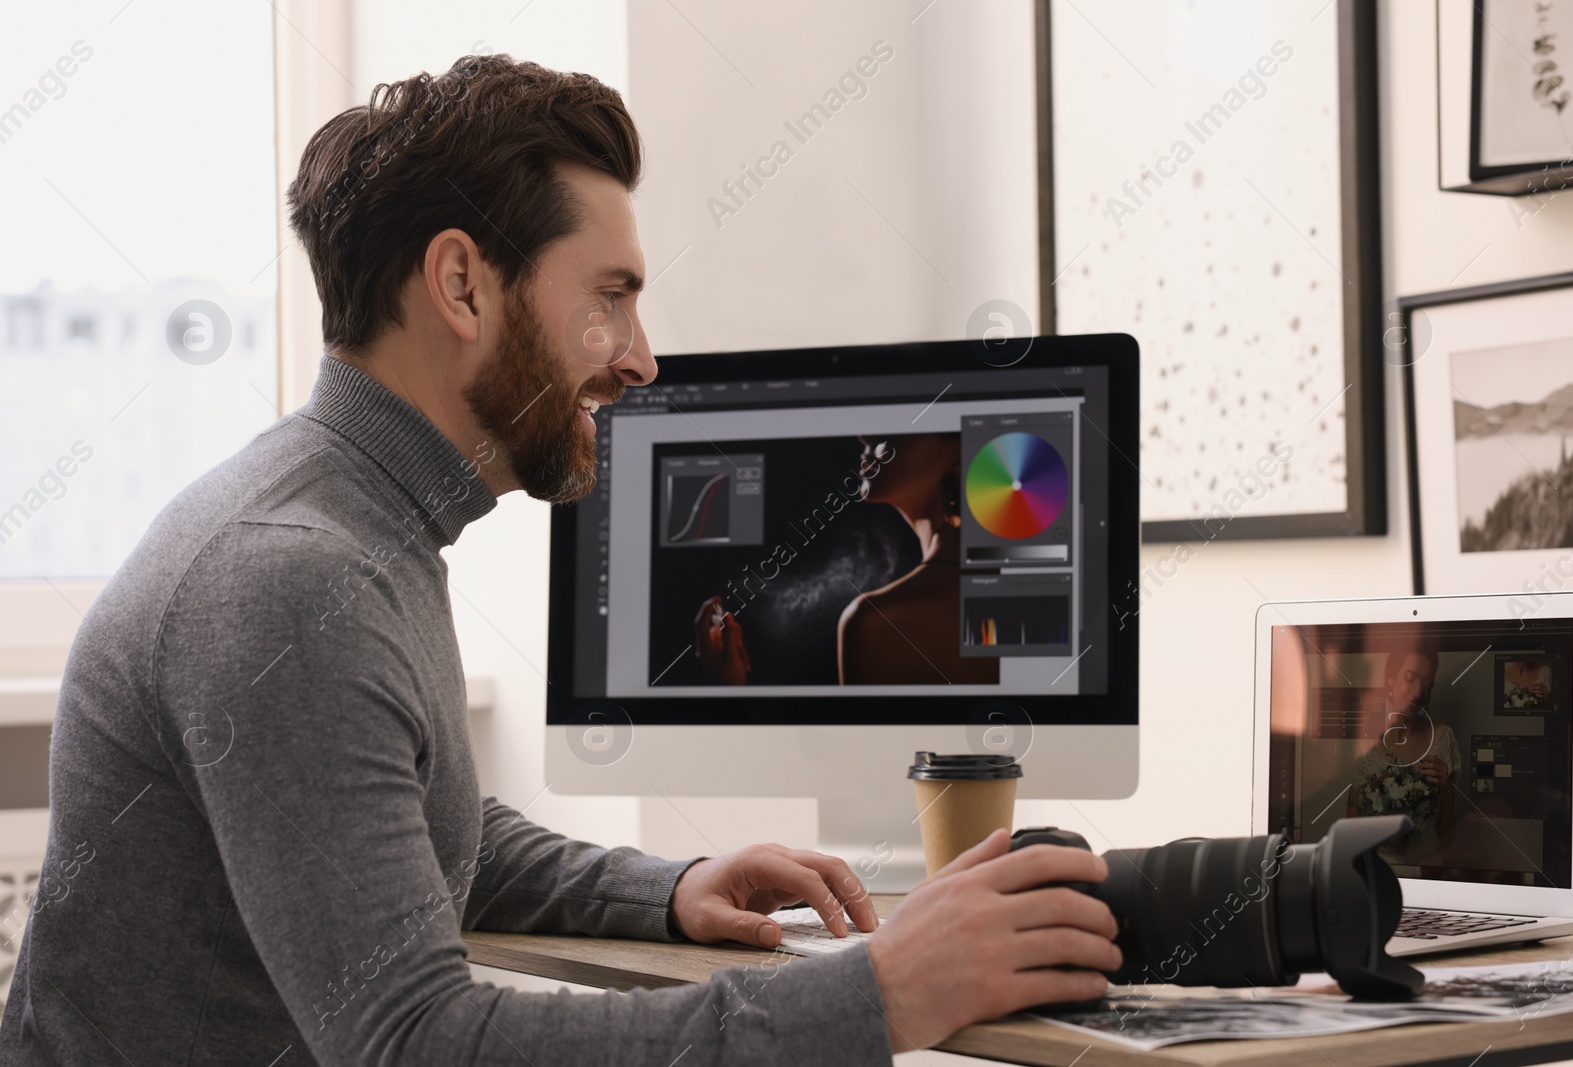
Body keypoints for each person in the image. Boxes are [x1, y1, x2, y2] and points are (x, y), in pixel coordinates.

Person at [0, 55, 1120, 1065]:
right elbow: (421, 1041)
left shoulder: (351, 524)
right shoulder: (293, 580)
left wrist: (666, 887)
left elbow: (418, 832)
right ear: (462, 286)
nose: (640, 358)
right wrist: (878, 997)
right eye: (611, 298)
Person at [693, 433, 997, 685]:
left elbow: (860, 756)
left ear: (958, 451)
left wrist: (724, 694)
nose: (863, 434)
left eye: (900, 419)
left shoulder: (878, 621)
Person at [1344, 646, 1459, 864]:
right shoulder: (1365, 741)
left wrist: (1445, 789)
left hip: (1427, 871)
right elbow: (1350, 825)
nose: (1417, 693)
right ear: (1390, 676)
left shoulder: (1443, 739)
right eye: (1410, 678)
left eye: (1427, 685)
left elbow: (1448, 840)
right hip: (1378, 868)